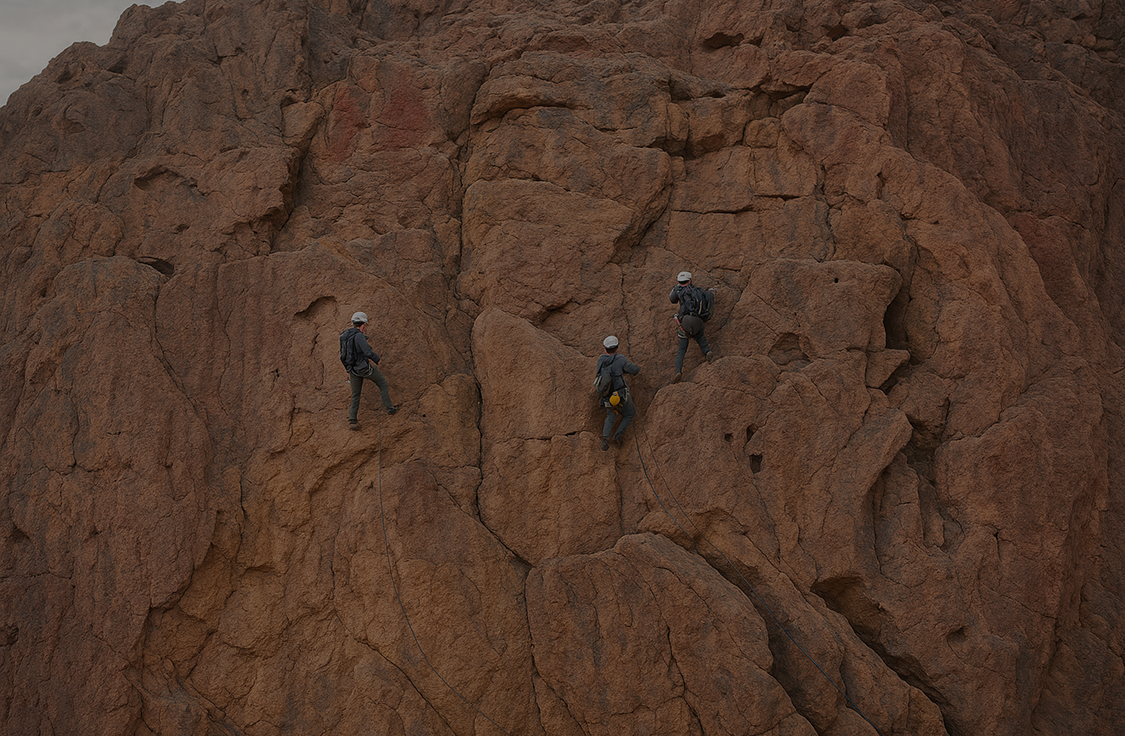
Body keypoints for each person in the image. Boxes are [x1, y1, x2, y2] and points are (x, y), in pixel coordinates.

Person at [340, 311, 397, 430]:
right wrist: (377, 360)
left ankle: (353, 421)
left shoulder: (346, 335)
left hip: (353, 370)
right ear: (363, 325)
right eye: (366, 325)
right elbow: (367, 351)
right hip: (364, 369)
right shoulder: (359, 335)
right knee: (382, 382)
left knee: (355, 395)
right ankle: (390, 409)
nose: (366, 328)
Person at [595, 335, 640, 450]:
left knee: (611, 414)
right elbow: (633, 369)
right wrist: (637, 369)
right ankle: (618, 435)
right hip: (620, 395)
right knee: (630, 413)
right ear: (617, 348)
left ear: (605, 349)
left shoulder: (601, 359)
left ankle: (605, 439)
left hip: (606, 395)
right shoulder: (621, 359)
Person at [669, 271, 714, 382]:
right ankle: (707, 352)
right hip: (698, 321)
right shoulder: (698, 291)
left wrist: (677, 287)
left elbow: (672, 299)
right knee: (700, 338)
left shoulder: (679, 291)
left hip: (685, 323)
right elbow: (709, 297)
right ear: (690, 280)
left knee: (682, 349)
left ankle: (678, 371)